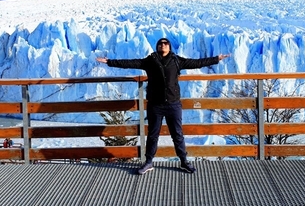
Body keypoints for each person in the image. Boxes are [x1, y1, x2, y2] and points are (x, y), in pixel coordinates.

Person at [96, 37, 230, 175]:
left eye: (165, 43)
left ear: (169, 46)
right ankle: (148, 162)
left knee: (177, 135)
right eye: (160, 43)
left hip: (173, 104)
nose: (163, 45)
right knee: (153, 135)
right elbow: (131, 63)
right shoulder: (150, 61)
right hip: (155, 105)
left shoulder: (176, 60)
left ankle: (184, 161)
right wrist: (109, 62)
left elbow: (197, 63)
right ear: (157, 47)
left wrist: (216, 59)